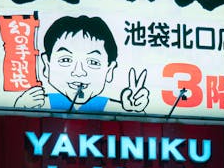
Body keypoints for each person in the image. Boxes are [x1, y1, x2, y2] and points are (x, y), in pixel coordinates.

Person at [14, 14, 149, 113]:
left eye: (93, 62)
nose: (79, 72)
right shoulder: (41, 103)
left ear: (109, 70)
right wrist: (21, 107)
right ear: (46, 65)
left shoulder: (108, 106)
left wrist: (134, 109)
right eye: (66, 60)